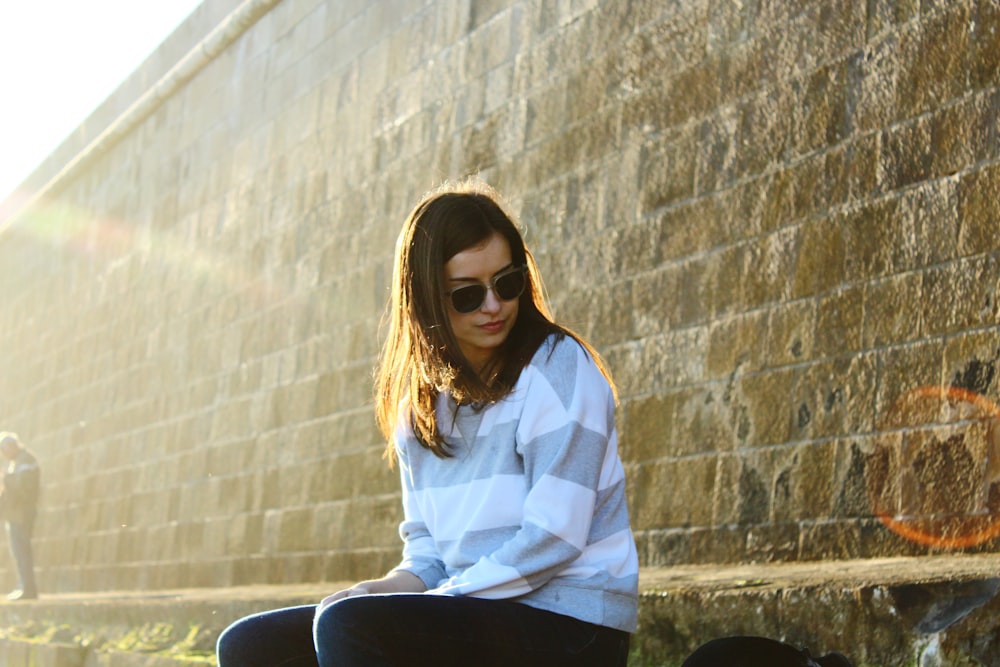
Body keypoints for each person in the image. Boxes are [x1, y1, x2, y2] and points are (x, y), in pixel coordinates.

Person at [216, 178, 640, 666]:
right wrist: (383, 590)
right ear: (426, 300)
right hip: (471, 613)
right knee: (252, 643)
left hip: (571, 628)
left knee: (352, 628)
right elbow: (428, 555)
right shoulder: (420, 406)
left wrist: (431, 605)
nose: (493, 305)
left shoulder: (558, 368)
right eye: (466, 295)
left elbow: (553, 539)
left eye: (507, 283)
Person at [0, 432, 40, 601]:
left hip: (22, 513)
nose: (4, 454)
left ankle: (28, 588)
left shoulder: (26, 461)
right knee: (18, 551)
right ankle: (23, 585)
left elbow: (24, 488)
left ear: (12, 446)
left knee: (22, 550)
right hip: (16, 514)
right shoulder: (17, 462)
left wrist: (6, 478)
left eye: (4, 450)